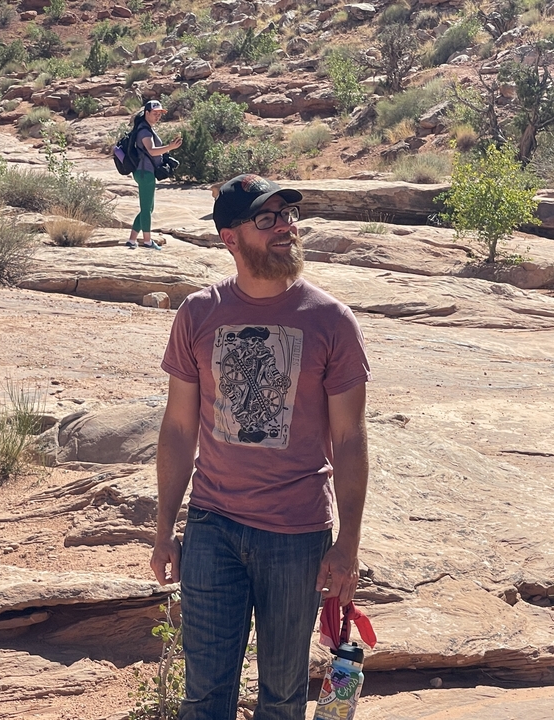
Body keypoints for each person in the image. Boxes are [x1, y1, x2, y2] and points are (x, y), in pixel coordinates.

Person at [151, 173, 371, 720]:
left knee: (282, 697)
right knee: (204, 696)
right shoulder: (198, 313)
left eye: (288, 216)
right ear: (230, 237)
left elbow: (349, 438)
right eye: (267, 219)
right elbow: (178, 428)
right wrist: (164, 529)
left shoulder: (331, 321)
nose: (285, 228)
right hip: (212, 528)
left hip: (297, 535)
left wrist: (348, 544)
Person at [126, 99, 182, 250]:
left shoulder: (146, 128)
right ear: (147, 113)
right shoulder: (144, 131)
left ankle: (132, 240)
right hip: (145, 173)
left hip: (145, 172)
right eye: (155, 113)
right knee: (146, 209)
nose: (158, 116)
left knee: (148, 208)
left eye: (160, 114)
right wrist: (170, 147)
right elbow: (151, 151)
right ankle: (147, 241)